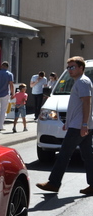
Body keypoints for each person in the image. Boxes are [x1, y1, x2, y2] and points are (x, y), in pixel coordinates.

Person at [37, 56, 93, 195]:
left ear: (81, 68)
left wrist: (84, 124)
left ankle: (54, 183)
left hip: (79, 126)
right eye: (68, 67)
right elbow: (76, 106)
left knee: (64, 154)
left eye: (73, 67)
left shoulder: (83, 82)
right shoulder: (79, 82)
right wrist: (68, 123)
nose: (70, 70)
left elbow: (87, 103)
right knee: (87, 155)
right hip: (78, 124)